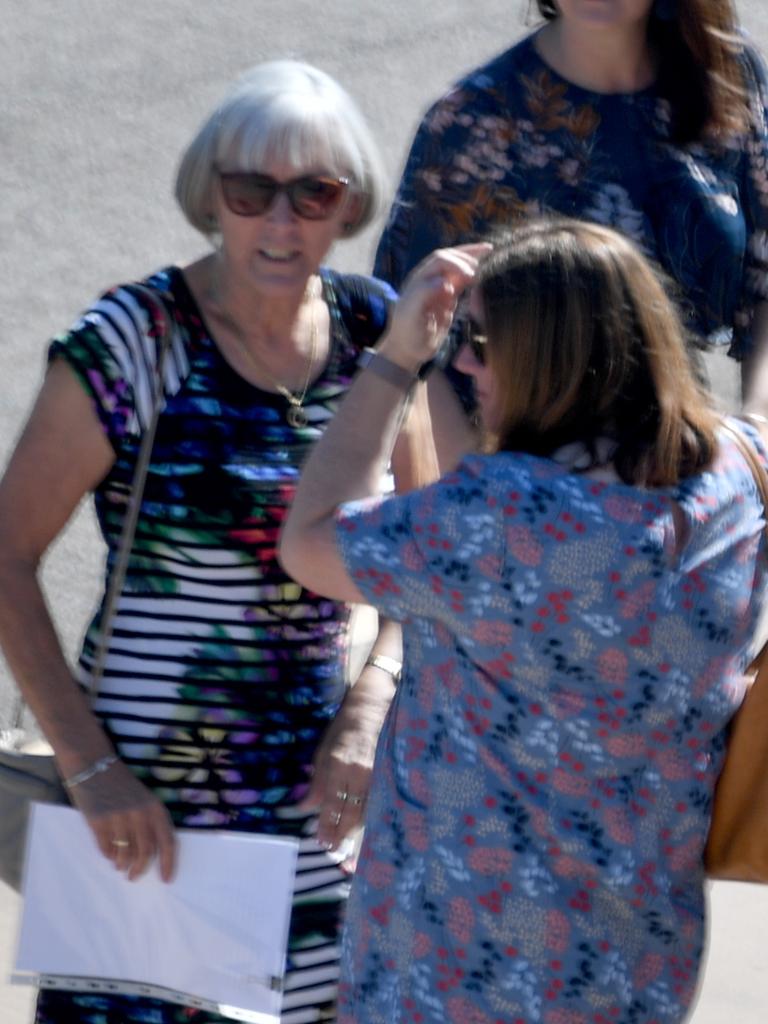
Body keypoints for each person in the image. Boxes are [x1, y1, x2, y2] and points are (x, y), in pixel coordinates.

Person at [0, 59, 408, 1024]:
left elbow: (430, 560)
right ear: (210, 194)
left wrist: (370, 706)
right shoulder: (136, 339)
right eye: (251, 190)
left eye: (314, 193)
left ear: (346, 206)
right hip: (144, 818)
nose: (281, 220)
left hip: (320, 812)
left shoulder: (374, 336)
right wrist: (91, 770)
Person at [280, 218, 768, 1024]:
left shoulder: (502, 519)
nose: (464, 362)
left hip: (453, 974)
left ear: (549, 357)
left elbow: (310, 539)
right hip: (638, 971)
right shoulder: (738, 477)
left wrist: (399, 359)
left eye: (476, 341)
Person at [374, 0, 768, 413]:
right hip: (524, 459)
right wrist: (485, 476)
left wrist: (757, 432)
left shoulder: (724, 72)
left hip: (683, 445)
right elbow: (411, 347)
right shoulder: (472, 123)